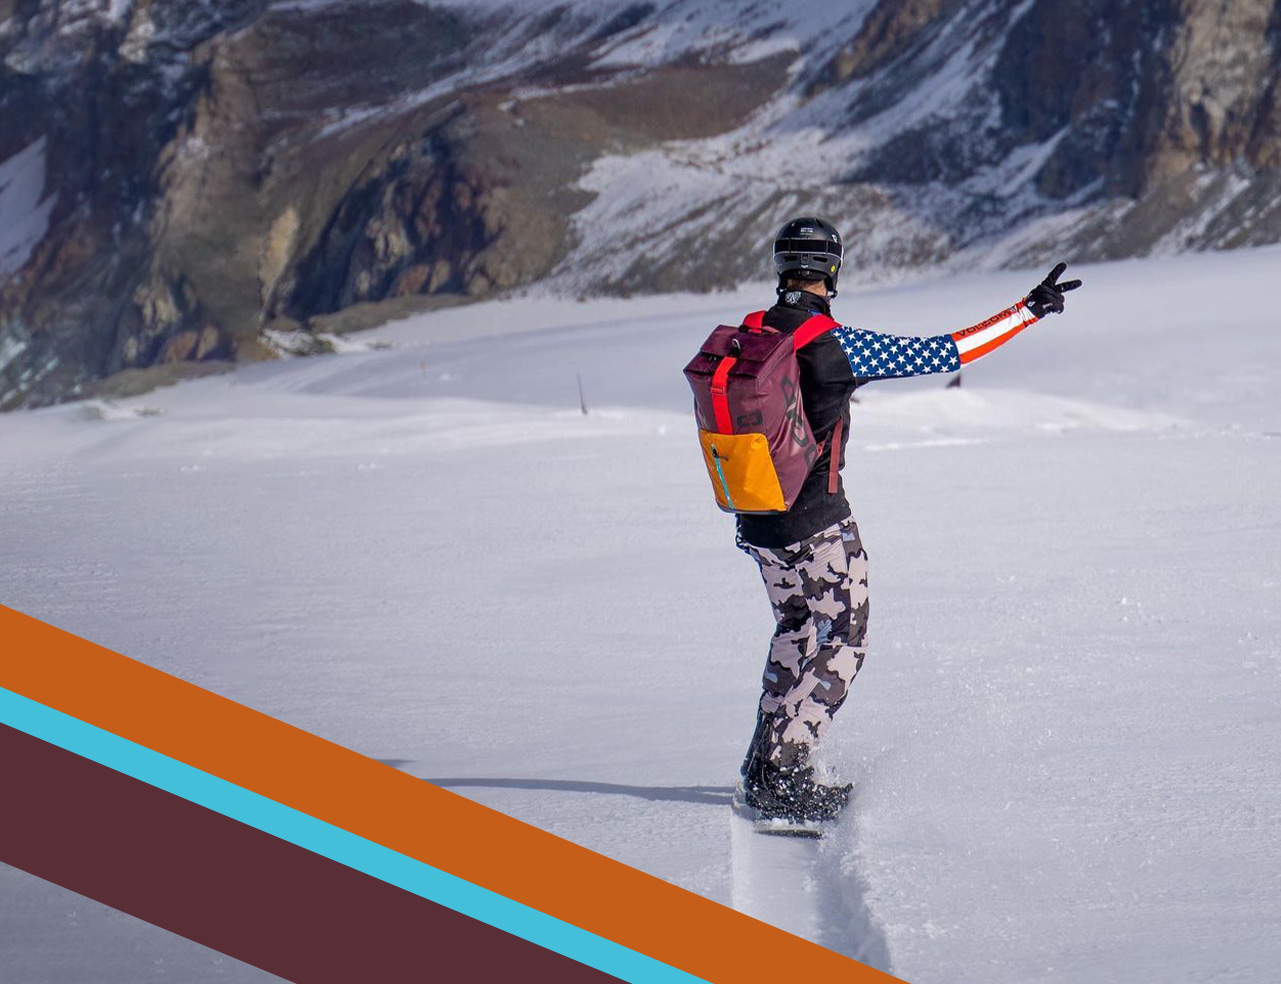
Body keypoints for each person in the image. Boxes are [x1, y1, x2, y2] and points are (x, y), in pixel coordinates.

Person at [737, 217, 1081, 822]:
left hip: (758, 517)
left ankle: (763, 761)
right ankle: (782, 775)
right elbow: (947, 352)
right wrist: (1029, 310)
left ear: (781, 266)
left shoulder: (752, 335)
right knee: (845, 635)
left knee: (795, 625)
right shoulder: (832, 344)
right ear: (832, 271)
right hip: (817, 523)